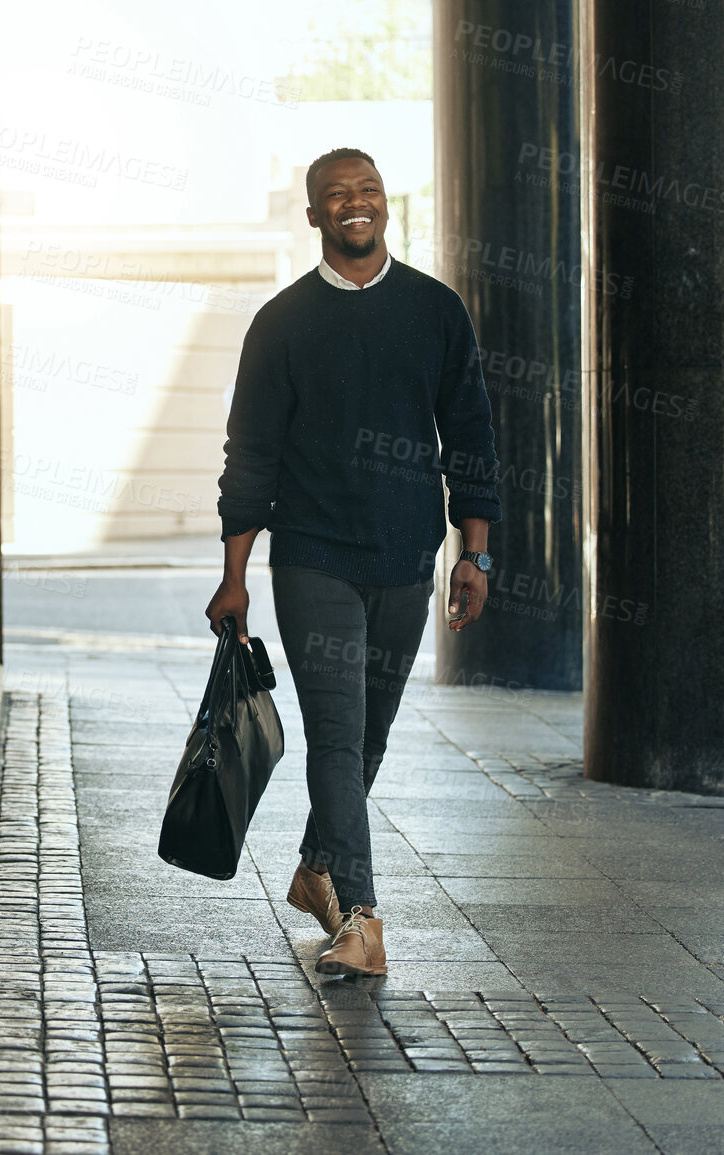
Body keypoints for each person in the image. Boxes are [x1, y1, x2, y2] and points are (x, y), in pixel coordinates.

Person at [206, 147, 500, 977]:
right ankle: (362, 920)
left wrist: (474, 552)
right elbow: (250, 456)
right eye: (337, 195)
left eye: (368, 191)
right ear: (313, 216)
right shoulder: (282, 323)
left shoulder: (436, 311)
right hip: (313, 559)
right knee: (336, 732)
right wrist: (236, 572)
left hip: (407, 557)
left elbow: (471, 438)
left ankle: (315, 867)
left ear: (385, 204)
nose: (355, 204)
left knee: (368, 734)